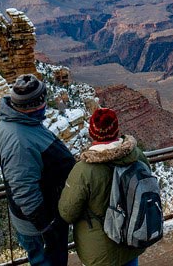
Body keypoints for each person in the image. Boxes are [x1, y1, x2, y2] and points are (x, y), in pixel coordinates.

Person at [0, 74, 75, 265]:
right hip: (39, 226)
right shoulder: (19, 142)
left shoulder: (18, 122)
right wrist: (46, 224)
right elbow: (24, 189)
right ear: (35, 104)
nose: (45, 105)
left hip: (42, 219)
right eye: (43, 101)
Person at [58, 108, 149, 266]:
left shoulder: (83, 171)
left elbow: (68, 213)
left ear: (92, 134)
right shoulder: (136, 155)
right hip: (132, 238)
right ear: (117, 130)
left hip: (100, 251)